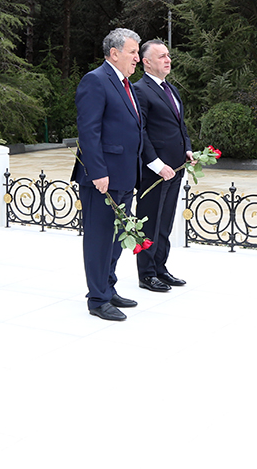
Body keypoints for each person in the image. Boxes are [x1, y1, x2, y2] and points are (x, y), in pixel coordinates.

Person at [71, 28, 144, 321]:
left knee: (116, 240)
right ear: (114, 53)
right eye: (133, 52)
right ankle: (98, 299)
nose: (137, 58)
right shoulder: (96, 80)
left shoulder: (126, 84)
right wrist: (98, 172)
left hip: (124, 176)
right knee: (100, 239)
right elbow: (89, 131)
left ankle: (108, 287)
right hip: (103, 178)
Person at [132, 39, 193, 292]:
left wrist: (187, 148)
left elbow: (180, 125)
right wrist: (156, 164)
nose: (168, 60)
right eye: (161, 56)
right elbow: (140, 131)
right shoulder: (139, 90)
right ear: (146, 62)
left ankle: (160, 268)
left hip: (176, 168)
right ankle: (146, 274)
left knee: (165, 221)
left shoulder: (172, 89)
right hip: (155, 171)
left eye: (168, 55)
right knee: (149, 223)